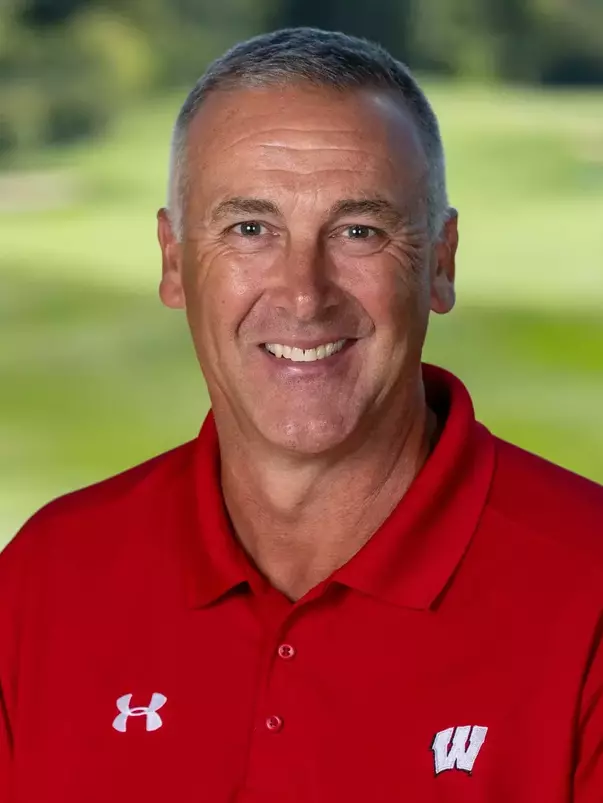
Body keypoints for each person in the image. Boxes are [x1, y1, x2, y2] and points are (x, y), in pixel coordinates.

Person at [1, 27, 602, 803]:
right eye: (250, 229)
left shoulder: (588, 586)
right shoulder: (45, 578)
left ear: (440, 261)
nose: (303, 294)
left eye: (358, 231)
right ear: (174, 260)